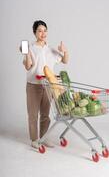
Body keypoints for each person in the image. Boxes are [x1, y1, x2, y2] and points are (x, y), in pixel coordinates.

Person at [21, 20, 69, 149]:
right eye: (40, 31)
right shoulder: (30, 48)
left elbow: (65, 60)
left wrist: (65, 51)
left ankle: (43, 137)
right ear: (35, 33)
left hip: (48, 86)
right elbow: (28, 66)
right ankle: (34, 139)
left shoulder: (50, 50)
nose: (43, 33)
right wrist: (26, 54)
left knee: (45, 114)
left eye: (45, 30)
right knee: (33, 114)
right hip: (33, 85)